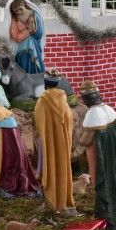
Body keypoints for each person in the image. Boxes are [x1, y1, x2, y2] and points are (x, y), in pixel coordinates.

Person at [78, 82, 116, 230]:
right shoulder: (110, 110)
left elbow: (85, 141)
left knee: (105, 185)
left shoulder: (92, 115)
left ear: (87, 100)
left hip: (102, 160)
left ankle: (111, 218)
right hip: (113, 158)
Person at [0, 94, 41, 199]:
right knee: (18, 160)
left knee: (6, 161)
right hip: (16, 142)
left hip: (6, 143)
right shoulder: (5, 112)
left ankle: (7, 184)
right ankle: (22, 182)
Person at [34, 76, 76, 215]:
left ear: (45, 85)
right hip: (63, 142)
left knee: (49, 165)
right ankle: (65, 201)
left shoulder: (42, 101)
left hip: (48, 142)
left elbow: (39, 121)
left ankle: (52, 201)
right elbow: (69, 118)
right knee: (63, 168)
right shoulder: (63, 100)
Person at [4, 0, 45, 74]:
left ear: (24, 5)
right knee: (23, 66)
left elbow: (39, 33)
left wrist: (34, 29)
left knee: (35, 66)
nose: (19, 12)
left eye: (20, 9)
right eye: (16, 11)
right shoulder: (15, 19)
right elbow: (15, 36)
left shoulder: (34, 14)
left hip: (34, 46)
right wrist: (28, 31)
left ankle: (37, 78)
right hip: (22, 48)